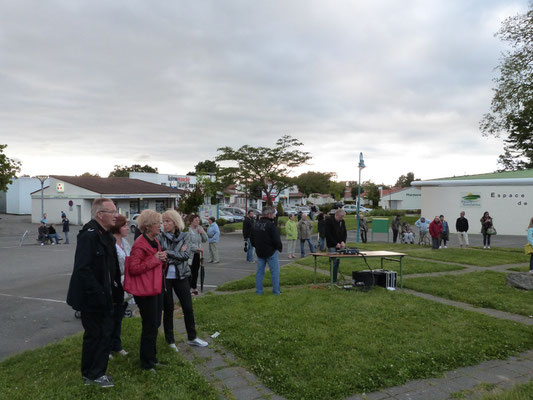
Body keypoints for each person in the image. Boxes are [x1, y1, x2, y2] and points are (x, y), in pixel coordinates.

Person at [66, 198, 122, 387]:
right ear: (100, 214)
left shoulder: (105, 234)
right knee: (97, 335)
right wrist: (100, 294)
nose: (116, 215)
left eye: (116, 211)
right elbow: (83, 270)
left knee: (103, 334)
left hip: (104, 295)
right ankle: (93, 374)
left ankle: (94, 373)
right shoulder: (89, 235)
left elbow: (110, 268)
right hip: (92, 298)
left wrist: (115, 290)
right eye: (112, 212)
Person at [159, 210, 208, 352]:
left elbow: (186, 255)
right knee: (168, 309)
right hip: (166, 277)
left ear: (175, 222)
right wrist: (174, 253)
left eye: (168, 221)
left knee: (188, 307)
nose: (165, 224)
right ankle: (170, 340)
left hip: (181, 276)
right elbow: (163, 254)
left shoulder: (184, 235)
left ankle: (192, 337)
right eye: (163, 221)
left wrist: (168, 252)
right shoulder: (161, 237)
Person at [124, 209, 166, 372]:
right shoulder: (139, 245)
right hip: (145, 291)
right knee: (149, 326)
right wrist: (154, 259)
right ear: (148, 226)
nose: (160, 226)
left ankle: (152, 359)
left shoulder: (155, 241)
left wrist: (161, 258)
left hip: (156, 288)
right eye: (158, 223)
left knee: (155, 324)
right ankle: (146, 363)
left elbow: (155, 262)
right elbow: (133, 269)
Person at [109, 215, 131, 358]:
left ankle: (116, 345)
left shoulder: (125, 243)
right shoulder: (111, 244)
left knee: (119, 317)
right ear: (117, 228)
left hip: (126, 284)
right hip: (115, 284)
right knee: (110, 318)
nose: (127, 228)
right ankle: (106, 347)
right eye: (124, 226)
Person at [250, 206, 282, 295]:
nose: (274, 216)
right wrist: (278, 247)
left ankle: (259, 291)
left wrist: (256, 246)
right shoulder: (271, 225)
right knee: (275, 272)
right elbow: (276, 239)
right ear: (269, 214)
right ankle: (276, 291)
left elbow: (252, 239)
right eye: (273, 214)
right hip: (271, 252)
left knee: (260, 272)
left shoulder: (255, 225)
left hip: (260, 252)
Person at [187, 215, 207, 296]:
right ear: (191, 221)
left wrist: (203, 233)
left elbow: (205, 240)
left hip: (197, 255)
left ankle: (194, 288)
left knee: (196, 272)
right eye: (195, 220)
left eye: (198, 220)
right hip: (190, 255)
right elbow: (188, 244)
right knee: (189, 272)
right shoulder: (188, 230)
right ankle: (188, 289)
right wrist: (197, 248)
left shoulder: (199, 229)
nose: (197, 222)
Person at [325, 208, 347, 283]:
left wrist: (343, 241)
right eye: (341, 217)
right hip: (332, 245)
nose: (342, 219)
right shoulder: (329, 221)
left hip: (339, 245)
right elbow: (328, 234)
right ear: (336, 215)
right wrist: (335, 243)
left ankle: (335, 279)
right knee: (333, 263)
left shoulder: (342, 222)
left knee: (337, 262)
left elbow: (344, 232)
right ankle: (332, 280)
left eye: (343, 217)